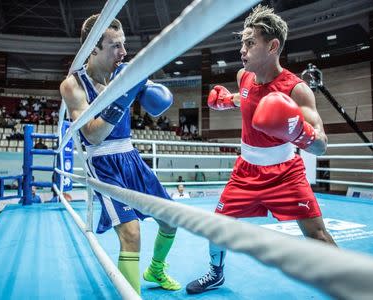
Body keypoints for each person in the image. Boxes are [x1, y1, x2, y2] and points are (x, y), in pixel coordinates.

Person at [186, 5, 336, 294]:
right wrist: (225, 101)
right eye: (242, 42)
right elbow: (247, 100)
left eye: (250, 43)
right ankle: (216, 274)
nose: (242, 50)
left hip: (285, 174)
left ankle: (350, 283)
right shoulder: (243, 76)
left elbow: (321, 145)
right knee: (217, 226)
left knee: (316, 234)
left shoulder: (296, 89)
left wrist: (298, 131)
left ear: (273, 46)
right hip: (245, 171)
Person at [59, 14, 179, 295]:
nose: (123, 53)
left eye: (123, 45)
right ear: (93, 49)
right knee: (131, 233)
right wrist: (122, 98)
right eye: (115, 46)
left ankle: (156, 269)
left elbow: (156, 107)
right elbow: (92, 134)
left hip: (130, 156)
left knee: (170, 220)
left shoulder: (123, 72)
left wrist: (143, 89)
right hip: (102, 162)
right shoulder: (73, 85)